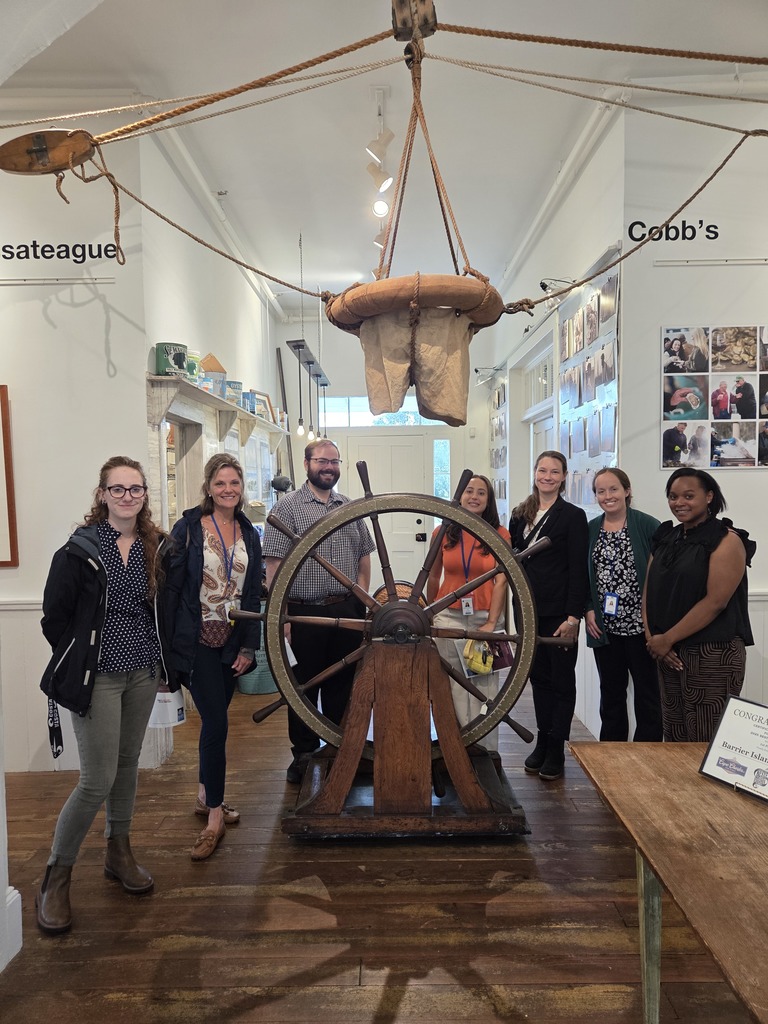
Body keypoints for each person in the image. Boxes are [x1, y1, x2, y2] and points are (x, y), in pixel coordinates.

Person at [37, 456, 173, 935]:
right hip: (98, 677)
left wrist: (162, 663)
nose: (127, 497)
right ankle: (57, 875)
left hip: (141, 671)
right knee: (96, 779)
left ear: (143, 496)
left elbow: (161, 607)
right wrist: (80, 659)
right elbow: (54, 618)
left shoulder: (156, 547)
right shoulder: (77, 552)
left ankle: (119, 851)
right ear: (102, 495)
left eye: (135, 489)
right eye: (118, 489)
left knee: (128, 762)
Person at [262, 439, 375, 784]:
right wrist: (281, 617)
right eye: (322, 461)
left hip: (346, 608)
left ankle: (342, 750)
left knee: (344, 685)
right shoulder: (288, 508)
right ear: (308, 463)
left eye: (334, 461)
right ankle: (305, 754)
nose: (328, 467)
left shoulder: (348, 505)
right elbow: (274, 568)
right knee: (303, 686)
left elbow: (365, 555)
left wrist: (360, 599)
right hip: (302, 613)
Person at [167, 454, 262, 861]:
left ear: (241, 489)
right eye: (220, 483)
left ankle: (206, 794)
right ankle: (214, 819)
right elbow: (170, 590)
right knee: (218, 724)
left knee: (213, 721)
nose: (228, 490)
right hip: (195, 641)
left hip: (230, 642)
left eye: (234, 484)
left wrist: (247, 646)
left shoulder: (248, 532)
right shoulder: (188, 528)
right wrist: (166, 650)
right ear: (209, 487)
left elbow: (253, 594)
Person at [643, 468, 756, 742]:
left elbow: (716, 602)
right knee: (674, 735)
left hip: (713, 653)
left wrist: (666, 638)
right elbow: (648, 591)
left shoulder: (727, 540)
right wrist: (654, 639)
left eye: (688, 496)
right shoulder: (666, 537)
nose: (679, 502)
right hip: (668, 651)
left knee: (707, 740)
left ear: (709, 497)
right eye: (673, 496)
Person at [509, 451, 588, 780]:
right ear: (535, 472)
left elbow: (578, 568)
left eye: (555, 471)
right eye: (543, 470)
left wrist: (573, 616)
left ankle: (557, 746)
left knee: (561, 680)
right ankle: (542, 739)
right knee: (538, 678)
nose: (548, 476)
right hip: (527, 609)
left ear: (564, 477)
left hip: (559, 613)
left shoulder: (573, 516)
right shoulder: (519, 514)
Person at [426, 475, 511, 751]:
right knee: (451, 684)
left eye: (481, 493)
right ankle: (455, 750)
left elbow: (502, 579)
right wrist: (429, 612)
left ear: (488, 500)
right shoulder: (442, 532)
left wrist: (490, 623)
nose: (474, 497)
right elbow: (433, 574)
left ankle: (485, 751)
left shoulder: (500, 533)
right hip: (448, 616)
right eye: (469, 491)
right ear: (460, 496)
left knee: (483, 685)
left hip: (484, 617)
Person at [585, 469, 662, 742]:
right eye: (601, 491)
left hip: (643, 630)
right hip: (606, 630)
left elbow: (663, 575)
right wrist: (588, 608)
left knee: (648, 697)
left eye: (614, 489)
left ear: (627, 491)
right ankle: (611, 760)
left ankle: (648, 761)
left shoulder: (649, 526)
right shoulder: (591, 529)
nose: (608, 496)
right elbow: (583, 576)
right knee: (612, 696)